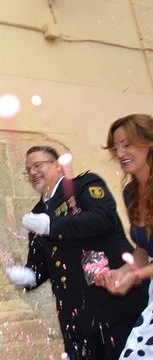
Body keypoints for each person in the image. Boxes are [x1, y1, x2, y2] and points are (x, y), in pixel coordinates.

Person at [6, 145, 148, 360]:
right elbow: (41, 263)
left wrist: (52, 226)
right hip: (76, 320)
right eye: (28, 169)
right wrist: (28, 276)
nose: (33, 172)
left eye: (38, 165)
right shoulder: (36, 214)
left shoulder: (84, 185)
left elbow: (102, 219)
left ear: (57, 165)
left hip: (112, 306)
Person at [95, 114, 153, 358]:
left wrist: (137, 275)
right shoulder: (131, 191)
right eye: (116, 147)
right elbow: (143, 248)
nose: (120, 153)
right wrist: (123, 273)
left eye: (127, 144)